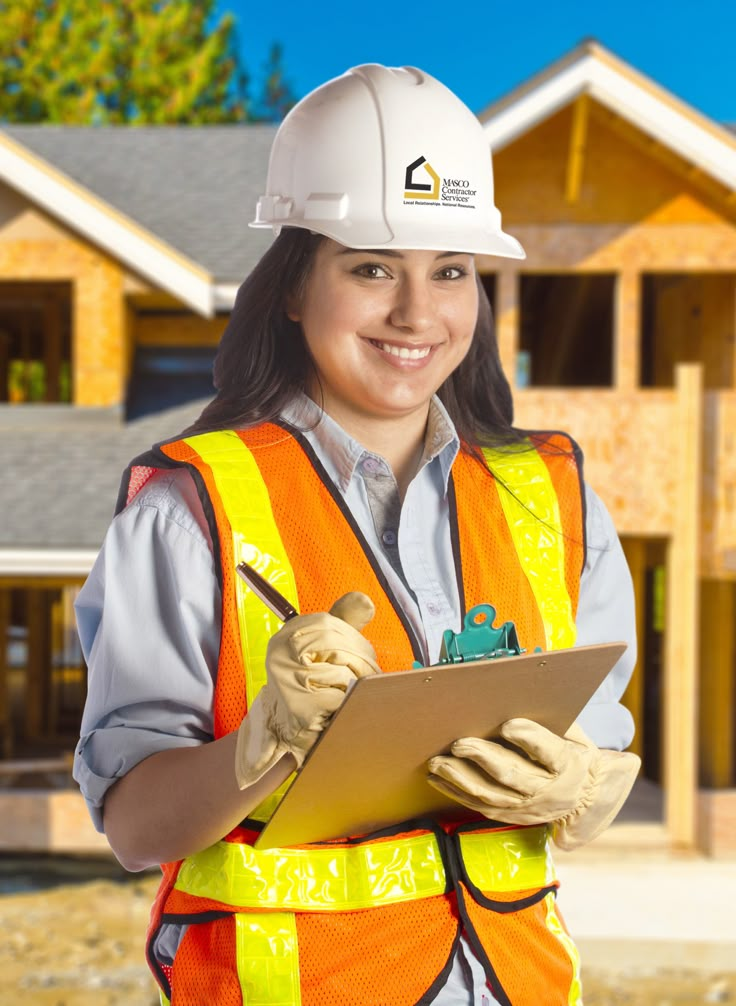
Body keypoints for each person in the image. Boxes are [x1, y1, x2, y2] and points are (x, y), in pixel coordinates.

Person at [73, 63, 641, 1006]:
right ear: (294, 285)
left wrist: (583, 791)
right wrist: (262, 744)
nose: (418, 314)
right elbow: (135, 828)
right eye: (373, 267)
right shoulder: (190, 512)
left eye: (450, 270)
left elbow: (591, 761)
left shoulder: (551, 499)